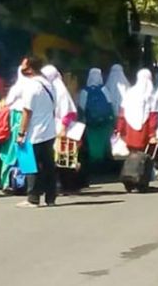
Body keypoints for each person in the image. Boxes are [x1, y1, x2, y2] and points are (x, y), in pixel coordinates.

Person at [15, 56, 58, 208]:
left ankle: (33, 198)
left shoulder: (31, 86)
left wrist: (21, 133)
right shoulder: (48, 84)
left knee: (30, 165)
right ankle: (51, 197)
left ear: (30, 69)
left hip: (34, 132)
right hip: (49, 130)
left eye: (24, 65)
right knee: (48, 165)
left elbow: (27, 112)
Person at [42, 64, 82, 192]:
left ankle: (66, 185)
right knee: (57, 157)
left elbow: (68, 111)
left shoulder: (60, 90)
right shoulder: (49, 89)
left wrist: (63, 127)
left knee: (64, 157)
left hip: (61, 128)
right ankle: (57, 184)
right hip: (52, 128)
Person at [0, 68, 29, 192]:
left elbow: (8, 102)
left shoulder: (16, 88)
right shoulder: (33, 87)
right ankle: (26, 185)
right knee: (25, 153)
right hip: (26, 123)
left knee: (9, 153)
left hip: (12, 125)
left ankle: (6, 182)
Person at [78, 68, 115, 167]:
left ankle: (94, 162)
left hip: (91, 123)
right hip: (104, 122)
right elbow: (110, 104)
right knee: (104, 141)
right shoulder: (104, 89)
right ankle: (104, 162)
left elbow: (81, 107)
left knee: (93, 143)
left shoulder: (84, 91)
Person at [116, 69, 158, 153]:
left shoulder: (130, 92)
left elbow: (122, 113)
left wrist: (120, 129)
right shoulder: (151, 94)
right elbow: (153, 116)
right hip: (145, 131)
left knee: (132, 153)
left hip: (129, 130)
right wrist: (152, 134)